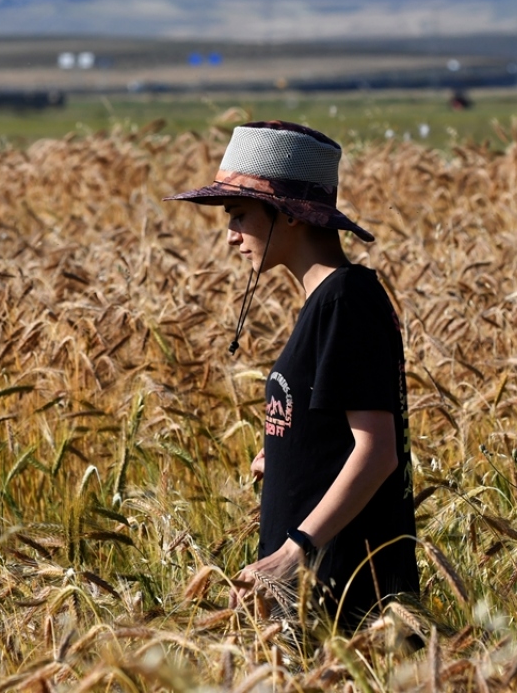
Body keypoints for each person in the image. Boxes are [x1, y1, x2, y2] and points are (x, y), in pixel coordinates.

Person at [165, 121, 419, 630]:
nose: (231, 235)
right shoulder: (327, 302)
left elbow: (378, 451)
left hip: (343, 596)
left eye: (238, 215)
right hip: (305, 593)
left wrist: (293, 553)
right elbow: (336, 427)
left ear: (290, 216)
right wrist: (287, 451)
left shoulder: (346, 302)